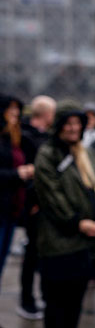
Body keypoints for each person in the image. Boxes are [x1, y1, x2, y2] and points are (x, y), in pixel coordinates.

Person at [34, 101, 95, 328]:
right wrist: (78, 223)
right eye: (67, 123)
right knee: (56, 308)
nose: (73, 128)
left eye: (77, 123)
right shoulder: (48, 154)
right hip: (58, 246)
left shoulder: (86, 153)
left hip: (85, 246)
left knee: (75, 306)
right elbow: (52, 196)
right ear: (58, 125)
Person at [17, 94, 55, 320]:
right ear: (47, 114)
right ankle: (26, 300)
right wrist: (33, 203)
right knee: (32, 256)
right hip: (33, 207)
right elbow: (31, 174)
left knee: (39, 255)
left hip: (42, 206)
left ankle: (35, 298)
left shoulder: (39, 136)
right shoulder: (27, 138)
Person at [0, 94, 36, 298]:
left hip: (11, 208)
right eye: (10, 110)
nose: (14, 114)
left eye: (17, 110)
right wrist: (17, 174)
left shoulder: (13, 137)